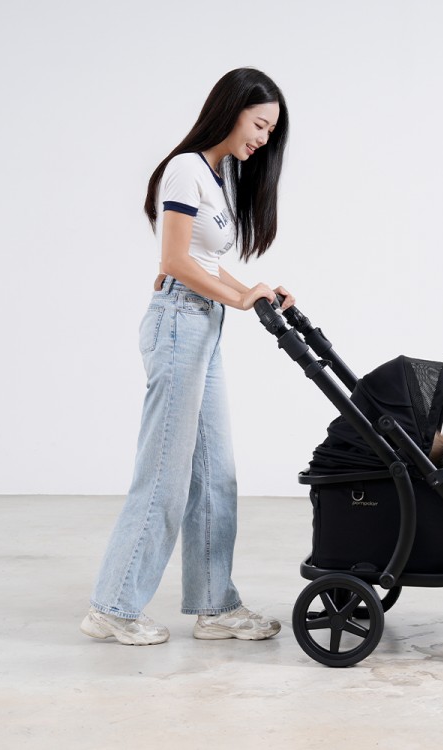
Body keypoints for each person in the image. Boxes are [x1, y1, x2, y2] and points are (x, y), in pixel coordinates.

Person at [80, 68, 292, 645]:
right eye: (259, 124)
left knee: (214, 473)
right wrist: (239, 299)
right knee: (164, 475)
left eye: (270, 131)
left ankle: (215, 605)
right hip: (178, 322)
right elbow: (174, 262)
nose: (263, 139)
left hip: (203, 325)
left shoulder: (219, 177)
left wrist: (256, 293)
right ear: (231, 109)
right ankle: (113, 607)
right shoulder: (185, 168)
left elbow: (206, 263)